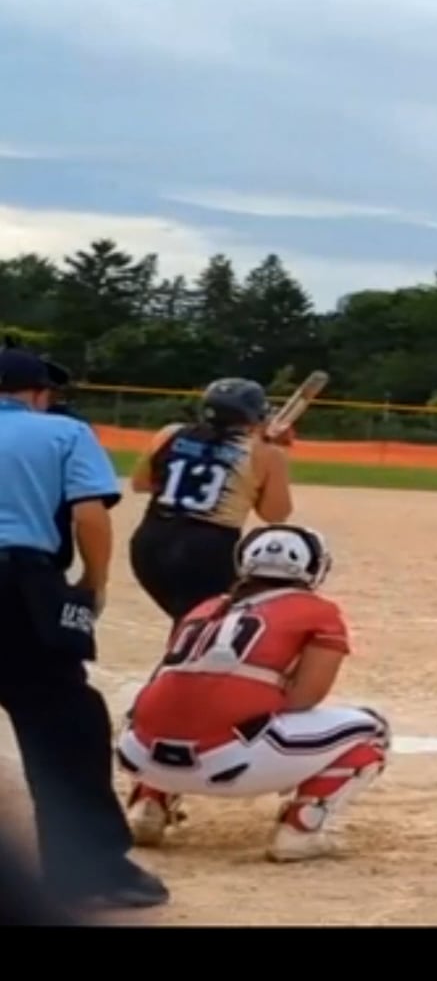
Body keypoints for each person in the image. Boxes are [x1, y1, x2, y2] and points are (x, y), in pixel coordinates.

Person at [0, 346, 169, 909]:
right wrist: (92, 583)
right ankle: (90, 870)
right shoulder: (64, 432)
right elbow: (88, 515)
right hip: (19, 585)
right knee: (63, 725)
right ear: (37, 394)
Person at [116, 522, 390, 863]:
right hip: (229, 763)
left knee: (171, 705)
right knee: (373, 731)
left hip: (140, 756)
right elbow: (307, 697)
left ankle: (147, 805)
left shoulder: (205, 607)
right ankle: (301, 830)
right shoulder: (318, 611)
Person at [127, 378, 294, 623]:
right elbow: (275, 514)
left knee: (188, 620)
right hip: (208, 549)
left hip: (151, 543)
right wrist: (271, 455)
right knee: (212, 626)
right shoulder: (267, 454)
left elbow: (140, 483)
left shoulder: (170, 433)